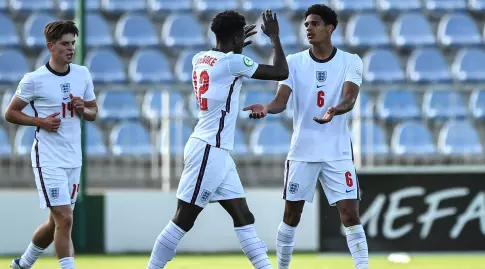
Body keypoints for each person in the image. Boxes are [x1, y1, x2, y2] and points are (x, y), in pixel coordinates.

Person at [146, 9, 288, 269]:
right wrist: (275, 37)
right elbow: (280, 72)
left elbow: (226, 72)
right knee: (183, 219)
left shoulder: (200, 58)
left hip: (216, 151)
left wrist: (235, 47)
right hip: (209, 150)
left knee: (244, 216)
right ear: (236, 39)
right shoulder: (232, 63)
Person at [243, 4, 368, 269]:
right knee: (291, 216)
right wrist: (266, 107)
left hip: (337, 152)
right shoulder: (295, 63)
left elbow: (350, 98)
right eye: (306, 25)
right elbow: (280, 101)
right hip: (303, 151)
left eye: (314, 24)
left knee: (350, 214)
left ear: (329, 28)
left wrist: (335, 109)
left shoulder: (350, 60)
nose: (308, 28)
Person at [6, 20, 98, 269]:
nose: (71, 49)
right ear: (51, 46)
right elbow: (11, 113)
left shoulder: (82, 74)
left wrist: (83, 109)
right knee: (65, 219)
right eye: (65, 44)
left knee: (55, 221)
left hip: (73, 159)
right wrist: (40, 121)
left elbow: (93, 112)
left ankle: (22, 264)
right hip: (48, 159)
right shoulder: (34, 80)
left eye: (73, 44)